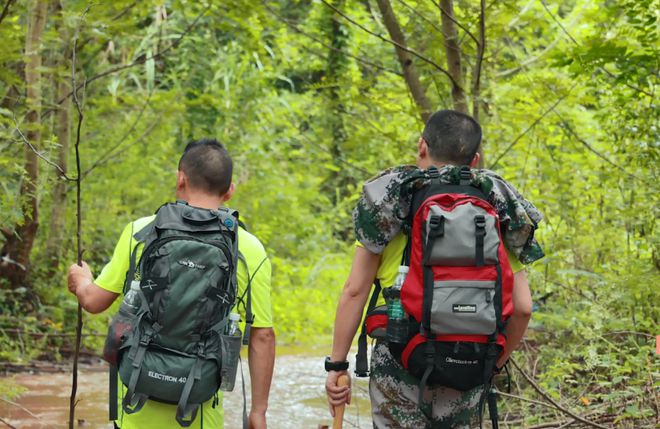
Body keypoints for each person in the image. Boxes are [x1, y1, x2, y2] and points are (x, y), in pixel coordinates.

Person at [325, 110, 542, 428]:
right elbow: (522, 308)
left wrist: (337, 364)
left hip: (400, 355)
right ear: (475, 159)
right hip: (470, 359)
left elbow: (355, 290)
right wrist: (491, 365)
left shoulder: (392, 203)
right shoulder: (492, 210)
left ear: (421, 146)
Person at [67, 138, 276, 429]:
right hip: (198, 411)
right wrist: (258, 412)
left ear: (180, 179)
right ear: (230, 191)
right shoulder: (247, 249)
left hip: (135, 406)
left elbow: (93, 301)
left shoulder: (140, 232)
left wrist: (81, 279)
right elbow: (262, 336)